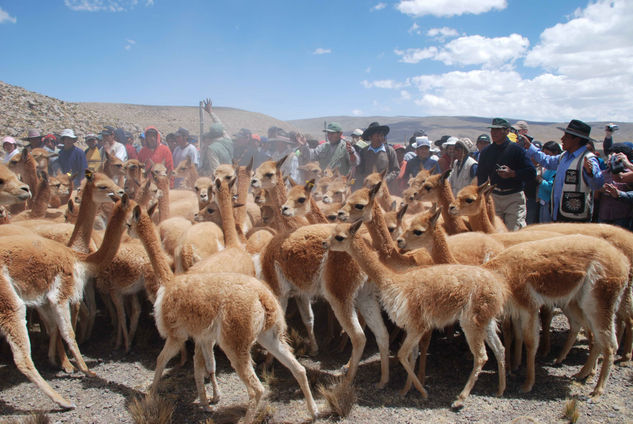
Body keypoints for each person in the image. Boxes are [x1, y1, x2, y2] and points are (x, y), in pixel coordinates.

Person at [522, 119, 603, 223]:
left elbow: (597, 185)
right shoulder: (564, 157)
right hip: (558, 213)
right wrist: (530, 147)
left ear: (577, 140)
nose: (562, 139)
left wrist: (590, 173)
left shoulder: (588, 159)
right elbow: (547, 161)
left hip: (575, 217)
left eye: (567, 137)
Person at [477, 118, 536, 230]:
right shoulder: (486, 152)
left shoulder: (517, 150)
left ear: (507, 131)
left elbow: (531, 172)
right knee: (494, 231)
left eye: (498, 130)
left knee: (514, 231)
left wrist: (513, 173)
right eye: (492, 130)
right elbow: (481, 176)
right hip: (494, 197)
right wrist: (483, 195)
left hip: (514, 197)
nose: (494, 133)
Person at [597, 143, 633, 229]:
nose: (611, 158)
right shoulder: (603, 174)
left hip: (623, 215)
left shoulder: (629, 172)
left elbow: (621, 180)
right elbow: (618, 178)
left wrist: (627, 163)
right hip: (604, 214)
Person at [536, 141, 563, 223]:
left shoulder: (556, 169)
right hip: (543, 200)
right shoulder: (545, 167)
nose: (545, 156)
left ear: (556, 153)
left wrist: (540, 180)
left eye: (547, 154)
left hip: (549, 202)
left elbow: (551, 187)